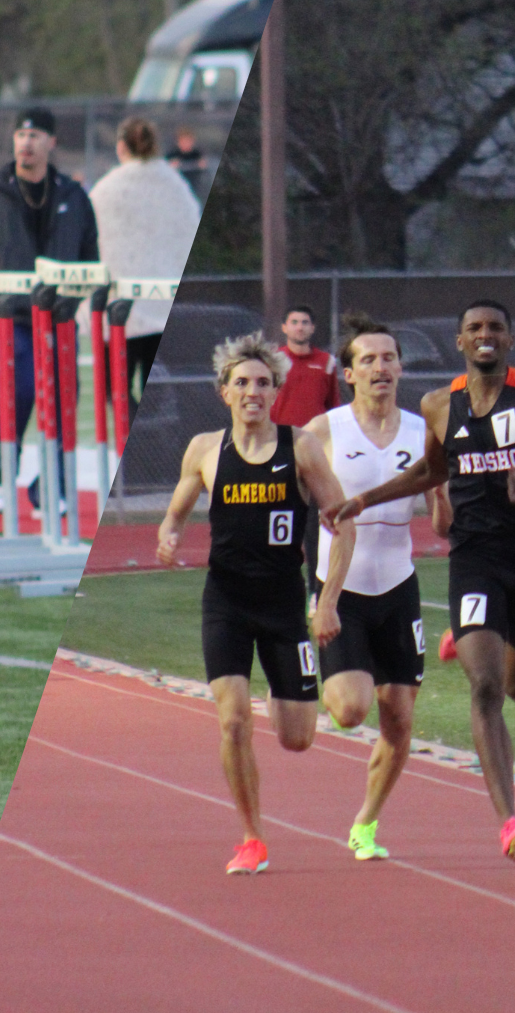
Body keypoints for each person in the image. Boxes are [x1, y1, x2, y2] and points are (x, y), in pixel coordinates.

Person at [328, 300, 515, 861]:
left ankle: (473, 636)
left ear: (511, 338)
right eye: (474, 328)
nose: (485, 335)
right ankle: (508, 822)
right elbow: (432, 470)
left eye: (496, 327)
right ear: (459, 341)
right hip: (475, 560)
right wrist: (364, 500)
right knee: (486, 688)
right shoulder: (438, 405)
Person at [157, 330, 356, 875]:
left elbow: (343, 523)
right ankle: (252, 837)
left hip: (284, 608)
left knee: (297, 738)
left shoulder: (302, 448)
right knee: (234, 720)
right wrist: (169, 535)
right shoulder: (204, 449)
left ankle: (285, 685)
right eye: (241, 382)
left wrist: (329, 600)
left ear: (276, 392)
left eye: (263, 383)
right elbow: (176, 510)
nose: (252, 392)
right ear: (224, 391)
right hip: (225, 603)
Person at [304, 313, 429, 861]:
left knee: (399, 719)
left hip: (399, 585)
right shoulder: (325, 430)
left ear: (401, 366)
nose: (380, 367)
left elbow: (443, 511)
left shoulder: (425, 432)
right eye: (368, 360)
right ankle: (308, 670)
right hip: (342, 588)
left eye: (388, 358)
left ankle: (365, 824)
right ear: (349, 374)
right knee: (352, 711)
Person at [0, 107, 99, 514]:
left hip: (59, 316)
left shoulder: (73, 196)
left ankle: (49, 487)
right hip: (14, 314)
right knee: (18, 389)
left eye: (35, 135)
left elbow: (89, 255)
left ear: (51, 143)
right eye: (21, 135)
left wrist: (71, 298)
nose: (26, 142)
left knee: (62, 396)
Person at [89, 116, 199, 412]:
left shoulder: (106, 189)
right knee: (167, 396)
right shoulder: (176, 187)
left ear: (121, 146)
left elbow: (91, 240)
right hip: (164, 306)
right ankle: (156, 449)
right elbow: (188, 232)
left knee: (117, 393)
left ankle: (135, 448)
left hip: (118, 309)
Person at [271, 305, 338, 428]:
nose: (300, 328)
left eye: (305, 323)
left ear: (312, 328)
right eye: (294, 322)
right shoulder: (273, 360)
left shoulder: (326, 361)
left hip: (316, 436)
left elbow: (333, 404)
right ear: (284, 328)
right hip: (281, 435)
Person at [166, 126, 207, 197]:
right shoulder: (172, 154)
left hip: (194, 187)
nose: (186, 144)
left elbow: (204, 167)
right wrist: (171, 166)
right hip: (176, 188)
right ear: (178, 142)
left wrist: (202, 165)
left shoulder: (196, 154)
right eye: (183, 141)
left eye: (188, 141)